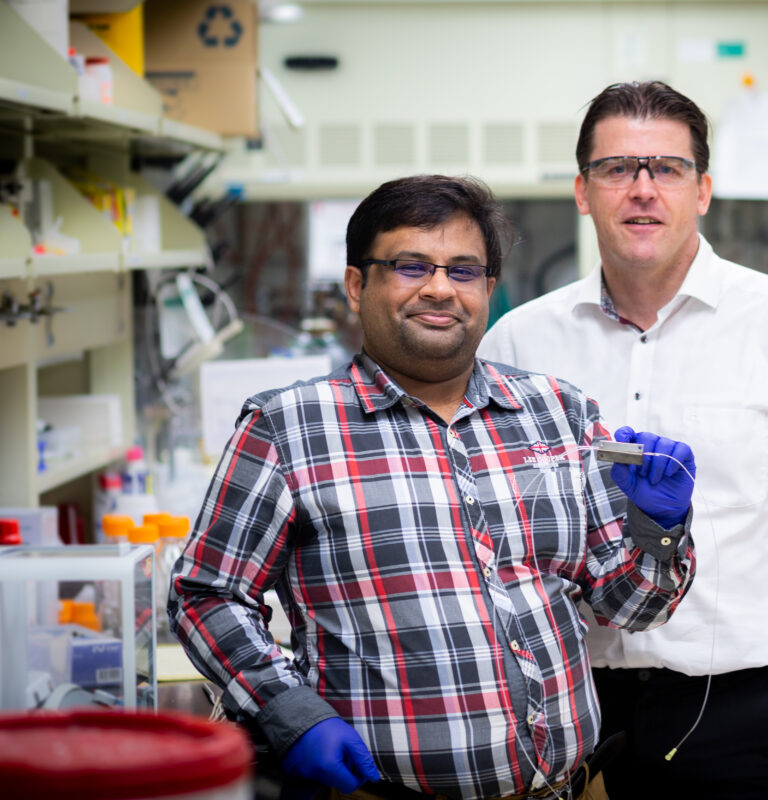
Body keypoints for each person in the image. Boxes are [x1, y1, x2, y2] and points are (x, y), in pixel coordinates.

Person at [169, 175, 699, 800]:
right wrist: (289, 711)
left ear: (488, 289)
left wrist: (660, 530)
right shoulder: (288, 428)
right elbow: (206, 594)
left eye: (464, 270)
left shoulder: (559, 412)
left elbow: (629, 607)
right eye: (411, 266)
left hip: (573, 788)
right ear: (357, 285)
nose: (441, 288)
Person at [478, 81, 768, 799]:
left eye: (666, 168)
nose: (642, 189)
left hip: (741, 714)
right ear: (582, 190)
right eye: (617, 169)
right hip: (564, 713)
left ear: (702, 190)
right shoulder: (520, 340)